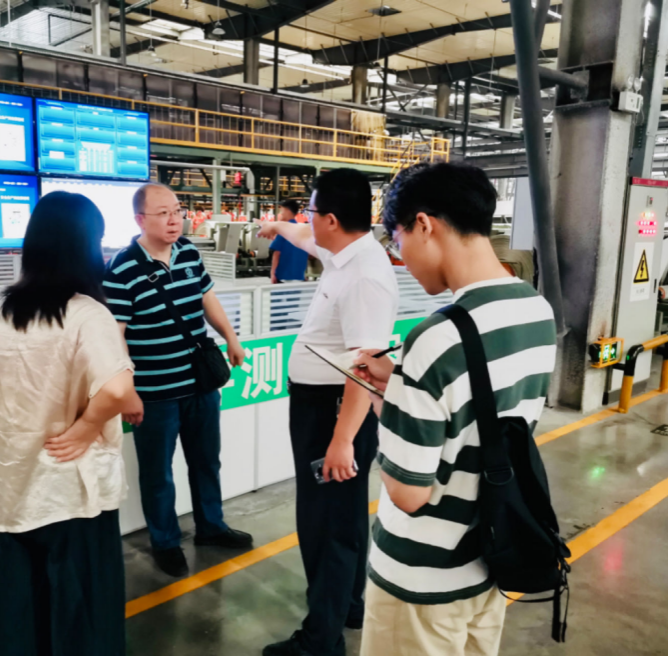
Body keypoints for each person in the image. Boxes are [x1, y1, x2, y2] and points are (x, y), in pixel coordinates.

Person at [353, 162, 557, 656]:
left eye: (397, 240)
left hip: (421, 581)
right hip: (489, 560)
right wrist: (400, 390)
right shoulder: (536, 309)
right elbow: (481, 421)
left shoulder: (436, 339)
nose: (400, 258)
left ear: (424, 225)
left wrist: (395, 402)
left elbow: (408, 494)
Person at [0, 191, 140, 655]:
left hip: (15, 490)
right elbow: (118, 389)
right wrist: (84, 429)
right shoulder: (86, 313)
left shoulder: (1, 314)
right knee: (84, 619)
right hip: (73, 494)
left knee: (23, 614)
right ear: (85, 246)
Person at [257, 168, 399, 656]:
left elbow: (366, 367)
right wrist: (277, 226)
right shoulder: (344, 252)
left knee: (325, 525)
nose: (307, 220)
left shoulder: (364, 278)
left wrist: (341, 441)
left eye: (311, 211)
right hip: (324, 409)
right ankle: (348, 605)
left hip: (334, 413)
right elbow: (302, 236)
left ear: (332, 219)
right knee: (344, 515)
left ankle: (321, 640)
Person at [102, 183, 253, 578]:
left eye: (177, 211)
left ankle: (211, 526)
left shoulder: (188, 252)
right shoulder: (121, 269)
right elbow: (116, 336)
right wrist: (127, 390)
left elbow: (207, 298)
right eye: (163, 214)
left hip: (200, 383)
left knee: (206, 461)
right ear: (140, 220)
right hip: (154, 393)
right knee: (158, 473)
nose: (174, 220)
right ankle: (165, 541)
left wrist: (231, 337)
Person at [270, 199, 309, 284]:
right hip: (299, 277)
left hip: (283, 276)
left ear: (287, 211)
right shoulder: (303, 231)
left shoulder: (283, 230)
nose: (281, 214)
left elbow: (276, 254)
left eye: (282, 211)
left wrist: (272, 273)